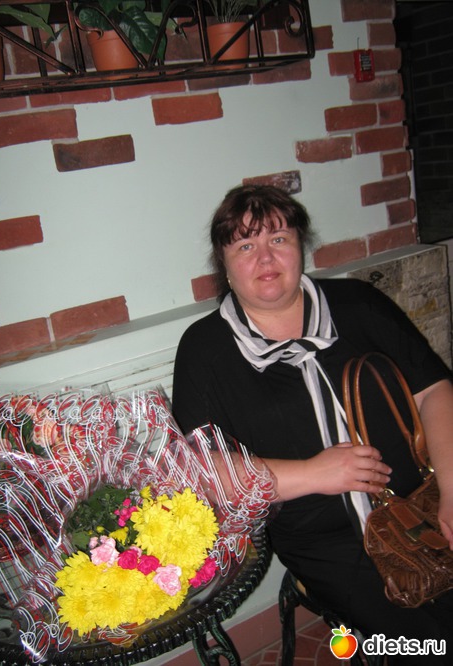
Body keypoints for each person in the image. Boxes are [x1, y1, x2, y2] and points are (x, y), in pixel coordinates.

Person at [172, 184, 453, 664]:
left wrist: (451, 489)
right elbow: (202, 469)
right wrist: (315, 473)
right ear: (225, 265)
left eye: (279, 239)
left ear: (300, 245)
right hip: (329, 541)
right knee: (430, 646)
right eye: (245, 246)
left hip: (422, 500)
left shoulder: (358, 304)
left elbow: (434, 389)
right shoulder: (205, 349)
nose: (266, 257)